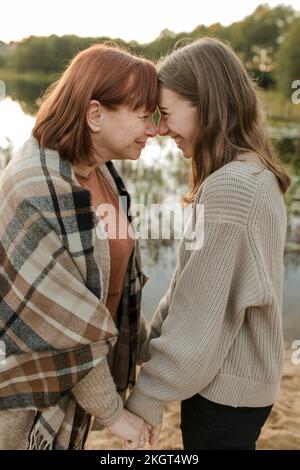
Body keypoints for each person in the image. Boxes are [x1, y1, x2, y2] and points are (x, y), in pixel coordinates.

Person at [125, 37, 291, 450]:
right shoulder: (253, 173)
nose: (160, 130)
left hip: (222, 394)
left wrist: (149, 390)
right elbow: (189, 285)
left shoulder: (231, 188)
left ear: (208, 104)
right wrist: (148, 348)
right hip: (244, 388)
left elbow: (199, 319)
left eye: (166, 114)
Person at [0, 43, 158, 450]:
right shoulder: (36, 188)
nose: (154, 129)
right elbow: (62, 326)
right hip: (31, 388)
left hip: (89, 375)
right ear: (94, 114)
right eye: (143, 116)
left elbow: (115, 283)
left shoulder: (101, 170)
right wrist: (113, 413)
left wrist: (146, 349)